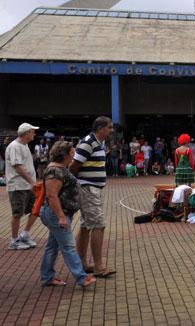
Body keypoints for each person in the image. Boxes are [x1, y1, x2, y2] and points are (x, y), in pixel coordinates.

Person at [39, 141, 96, 288]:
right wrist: (61, 217)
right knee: (68, 247)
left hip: (59, 214)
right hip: (57, 214)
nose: (74, 155)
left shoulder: (60, 168)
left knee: (52, 246)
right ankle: (82, 278)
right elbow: (52, 196)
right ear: (65, 154)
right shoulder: (55, 171)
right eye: (72, 152)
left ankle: (47, 277)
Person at [70, 116, 116, 278]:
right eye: (109, 127)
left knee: (86, 226)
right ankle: (98, 266)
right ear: (100, 128)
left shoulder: (98, 143)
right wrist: (75, 184)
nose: (111, 130)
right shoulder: (88, 142)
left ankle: (82, 263)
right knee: (98, 225)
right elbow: (74, 165)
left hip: (92, 188)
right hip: (88, 189)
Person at [6, 123, 40, 250]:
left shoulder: (24, 145)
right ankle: (14, 241)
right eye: (32, 132)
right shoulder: (15, 146)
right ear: (26, 133)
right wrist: (32, 181)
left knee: (36, 209)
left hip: (26, 185)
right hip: (18, 186)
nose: (34, 134)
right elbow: (18, 167)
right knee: (17, 213)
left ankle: (24, 234)